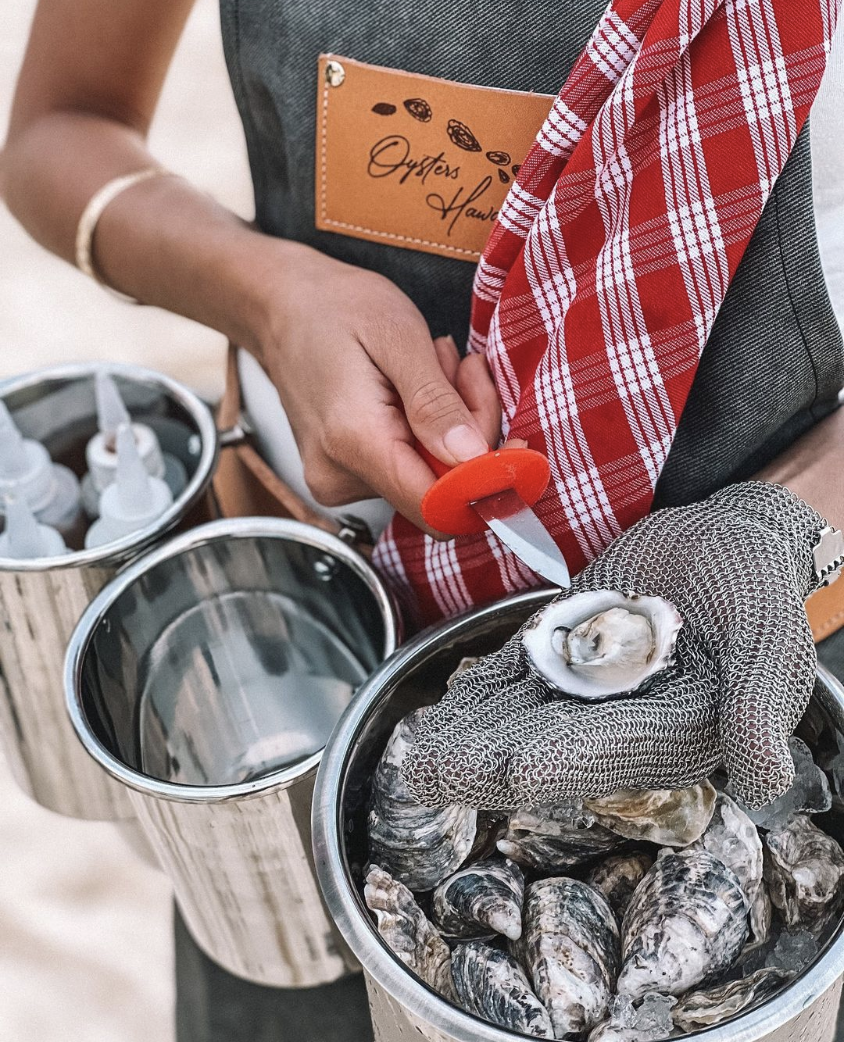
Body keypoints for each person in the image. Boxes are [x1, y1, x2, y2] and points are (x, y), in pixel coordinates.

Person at [3, 1, 844, 1040]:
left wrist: (788, 513)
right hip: (313, 666)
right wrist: (270, 295)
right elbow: (56, 132)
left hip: (765, 656)